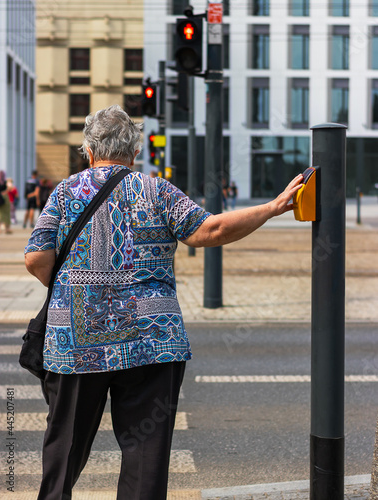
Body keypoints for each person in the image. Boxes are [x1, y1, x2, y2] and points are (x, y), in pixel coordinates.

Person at [24, 104, 303, 500]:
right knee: (144, 458)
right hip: (152, 342)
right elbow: (212, 229)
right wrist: (274, 207)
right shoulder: (157, 190)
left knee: (64, 450)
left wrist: (76, 288)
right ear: (135, 152)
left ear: (87, 150)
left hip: (76, 343)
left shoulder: (66, 192)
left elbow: (36, 257)